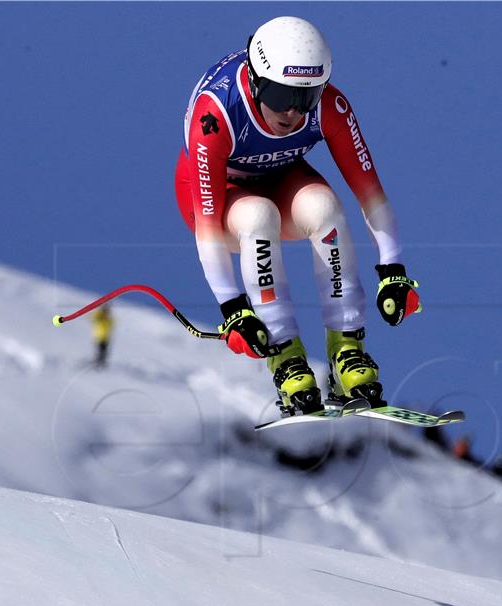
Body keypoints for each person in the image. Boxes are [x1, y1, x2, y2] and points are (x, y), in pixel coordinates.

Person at [175, 16, 422, 415]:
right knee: (257, 216)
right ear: (256, 82)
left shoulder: (330, 106)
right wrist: (233, 309)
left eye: (304, 97)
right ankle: (285, 357)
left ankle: (347, 351)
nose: (291, 111)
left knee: (324, 207)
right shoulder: (217, 112)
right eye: (278, 95)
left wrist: (392, 269)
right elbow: (207, 226)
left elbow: (371, 193)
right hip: (218, 197)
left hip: (280, 177)